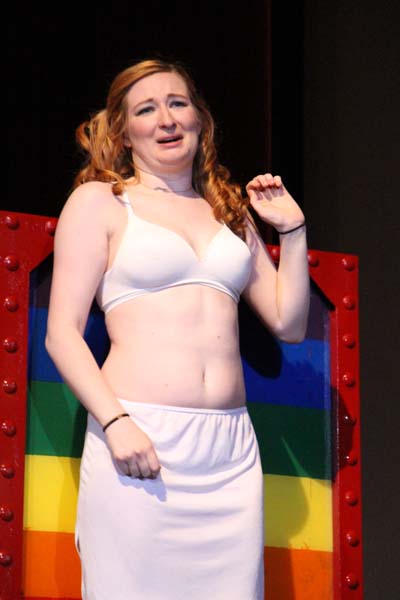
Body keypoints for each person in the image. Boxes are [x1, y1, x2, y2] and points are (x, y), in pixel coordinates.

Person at [45, 57, 310, 600]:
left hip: (230, 452)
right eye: (146, 109)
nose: (166, 119)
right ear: (124, 133)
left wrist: (294, 230)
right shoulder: (101, 202)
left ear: (200, 119)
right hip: (141, 439)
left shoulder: (229, 212)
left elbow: (289, 323)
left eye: (178, 103)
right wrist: (116, 422)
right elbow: (62, 333)